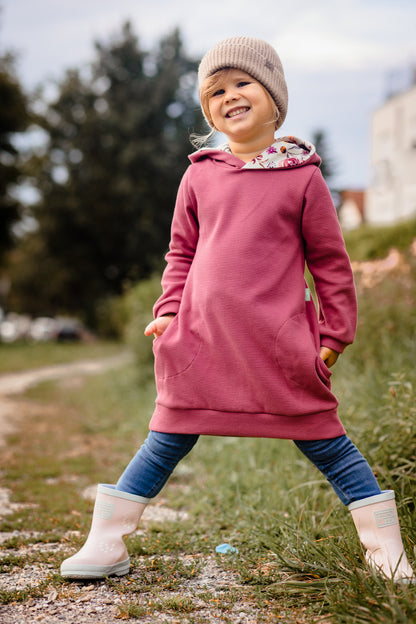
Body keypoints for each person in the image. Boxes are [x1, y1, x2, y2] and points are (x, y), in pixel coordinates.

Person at [61, 36, 414, 583]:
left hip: (280, 347)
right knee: (165, 439)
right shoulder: (199, 173)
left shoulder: (303, 176)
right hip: (199, 342)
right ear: (208, 109)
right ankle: (107, 542)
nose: (230, 96)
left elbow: (331, 263)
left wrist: (333, 335)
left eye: (243, 83)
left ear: (274, 96)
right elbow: (181, 251)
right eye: (216, 91)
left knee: (328, 444)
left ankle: (386, 553)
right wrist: (169, 311)